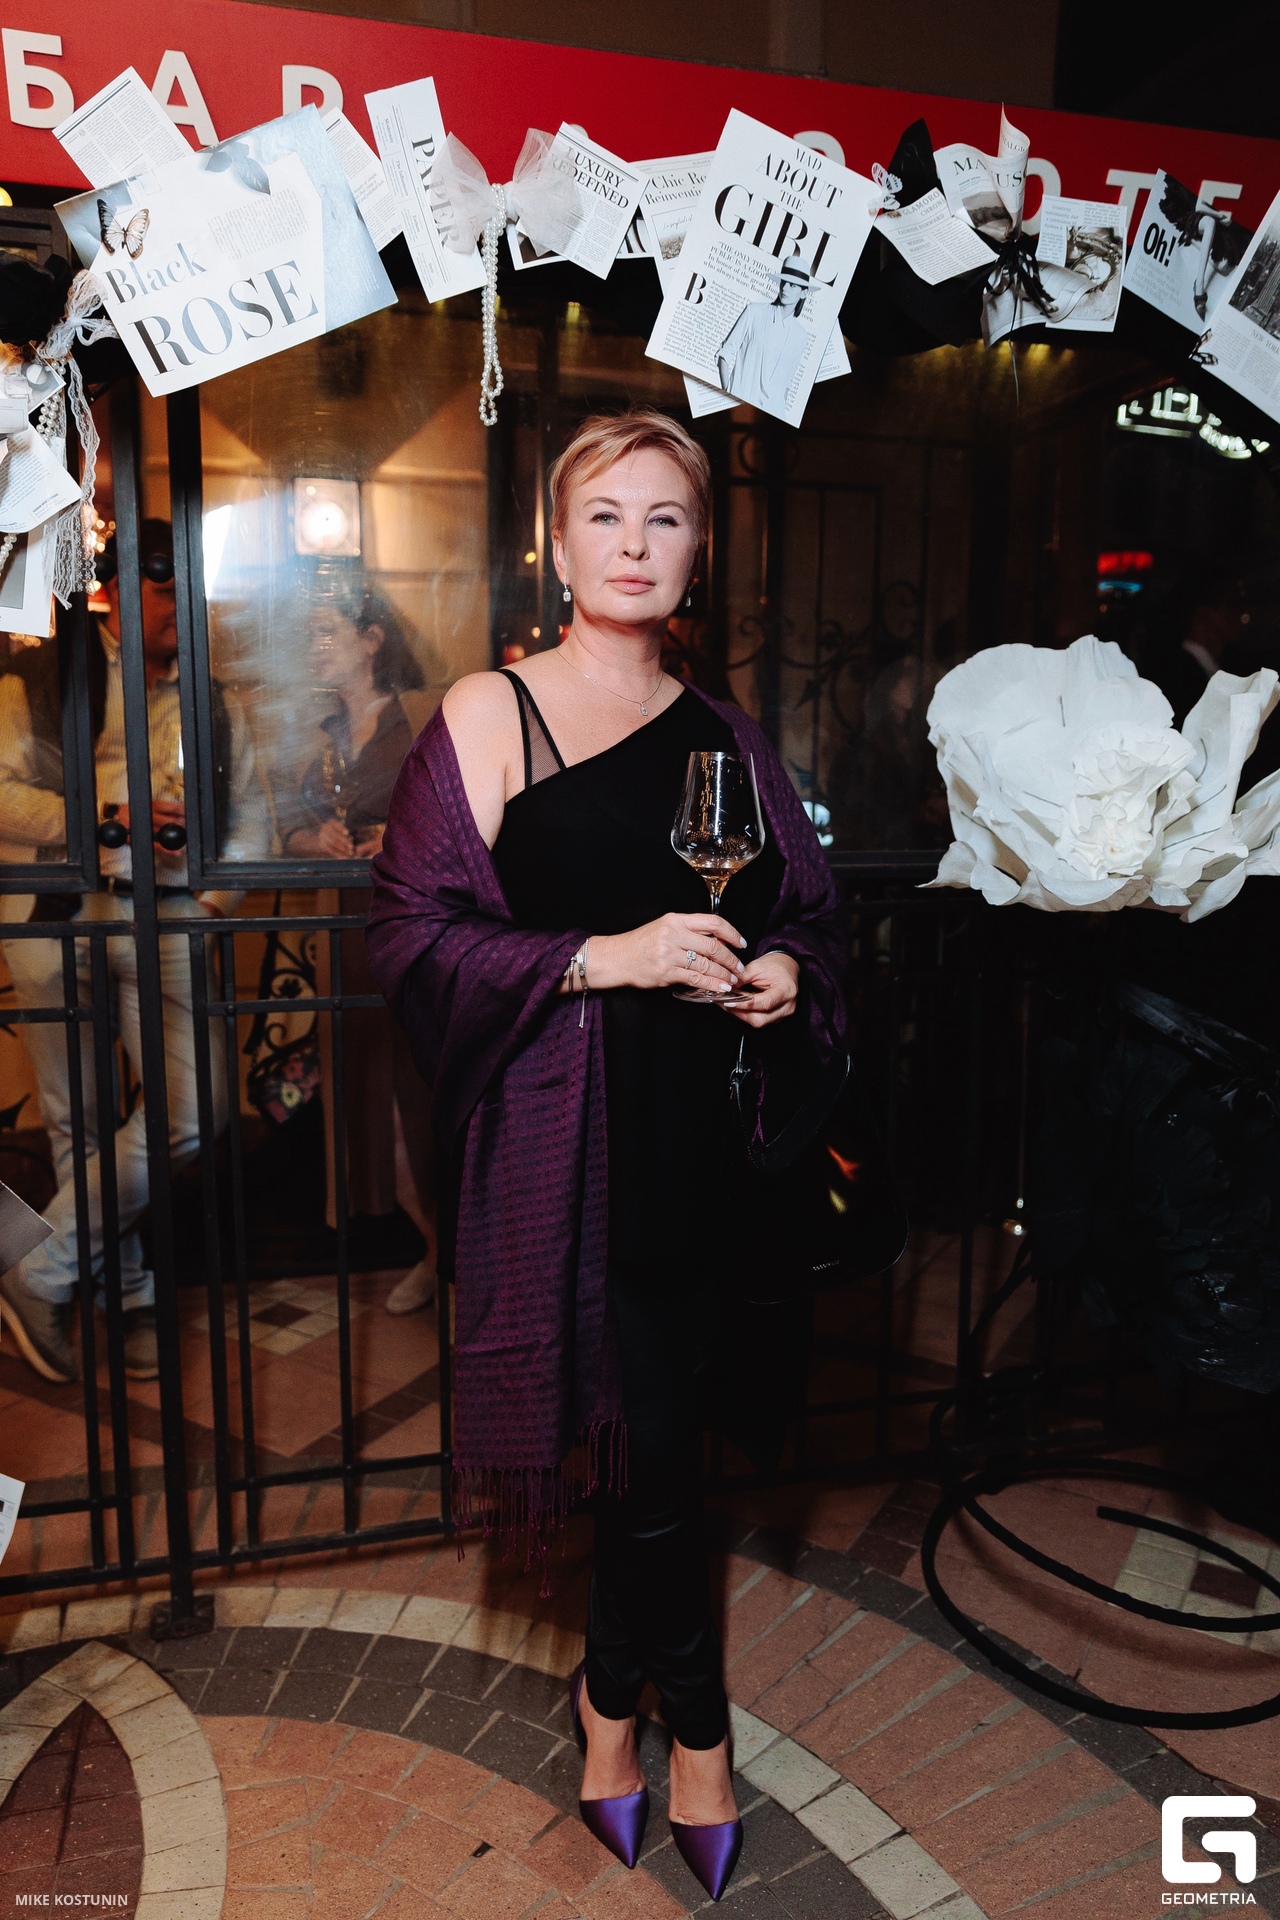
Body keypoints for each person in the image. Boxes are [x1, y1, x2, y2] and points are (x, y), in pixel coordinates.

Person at [366, 409, 846, 1901]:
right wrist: (602, 956)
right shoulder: (491, 711)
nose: (635, 545)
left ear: (699, 551)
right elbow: (411, 937)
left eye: (666, 518)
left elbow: (806, 911)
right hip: (569, 1152)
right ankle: (690, 1730)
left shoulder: (729, 735)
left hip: (715, 1142)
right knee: (648, 1464)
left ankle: (606, 1691)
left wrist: (784, 971)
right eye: (605, 516)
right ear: (556, 544)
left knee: (667, 1442)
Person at [0, 518, 267, 1383]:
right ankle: (129, 1293)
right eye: (162, 581)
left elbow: (254, 826)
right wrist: (111, 813)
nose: (180, 600)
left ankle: (39, 1271)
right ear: (115, 587)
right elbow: (0, 793)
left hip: (169, 919)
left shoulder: (217, 701)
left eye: (189, 582)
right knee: (78, 1119)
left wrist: (205, 904)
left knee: (200, 1109)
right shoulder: (36, 678)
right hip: (56, 915)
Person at [280, 576, 437, 1314]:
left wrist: (399, 840)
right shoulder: (315, 735)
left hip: (417, 926)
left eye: (326, 631)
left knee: (426, 1097)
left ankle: (460, 1259)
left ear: (372, 640)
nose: (313, 646)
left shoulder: (428, 716)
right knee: (372, 1105)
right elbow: (284, 828)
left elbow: (475, 810)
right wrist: (314, 839)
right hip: (345, 932)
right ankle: (436, 1251)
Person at [715, 258, 813, 413]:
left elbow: (787, 383)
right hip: (740, 404)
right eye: (783, 282)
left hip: (772, 413)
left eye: (792, 285)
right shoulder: (754, 312)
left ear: (804, 293)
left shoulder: (801, 337)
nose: (784, 288)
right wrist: (728, 393)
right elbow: (725, 354)